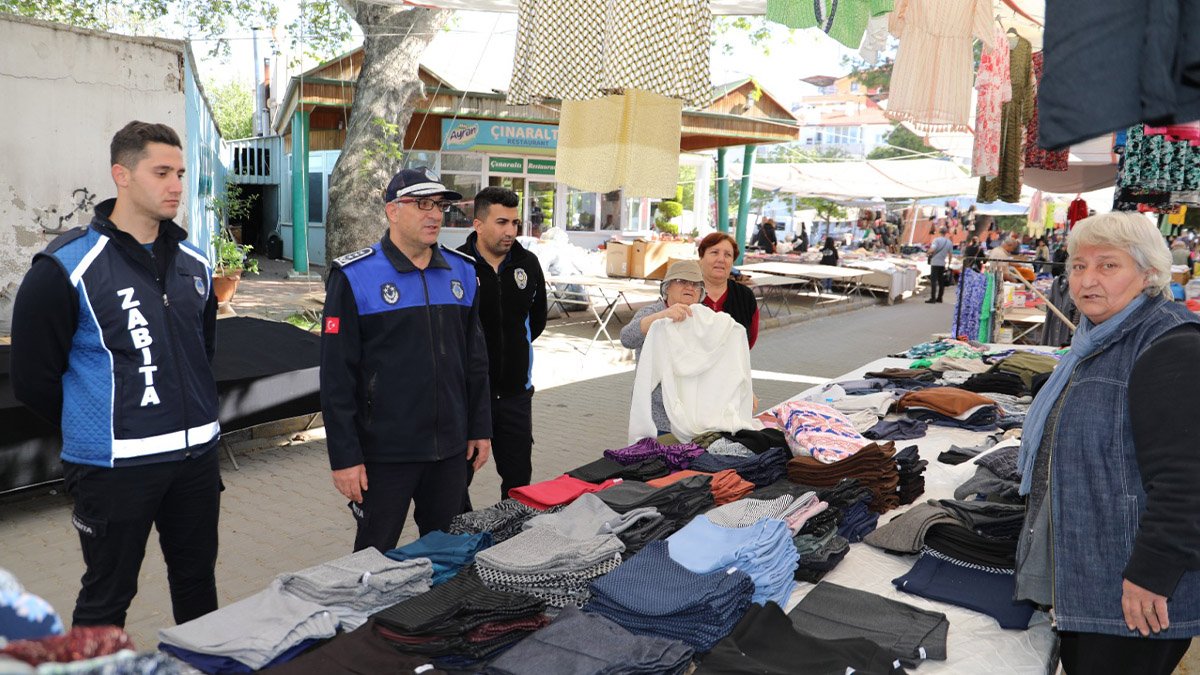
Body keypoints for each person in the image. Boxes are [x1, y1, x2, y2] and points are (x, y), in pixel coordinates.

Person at [10, 121, 221, 628]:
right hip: (114, 469)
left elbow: (202, 353)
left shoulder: (196, 264)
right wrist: (99, 419)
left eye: (180, 173)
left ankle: (202, 663)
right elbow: (33, 380)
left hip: (195, 459)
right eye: (162, 172)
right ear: (121, 175)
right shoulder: (66, 267)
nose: (176, 185)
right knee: (107, 598)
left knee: (197, 585)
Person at [1014, 212, 1200, 675]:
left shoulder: (1169, 345)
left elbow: (1187, 480)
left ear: (1149, 273)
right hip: (1096, 576)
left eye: (1108, 265)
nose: (1087, 279)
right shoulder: (1098, 338)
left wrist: (1150, 575)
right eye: (1078, 266)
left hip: (1135, 597)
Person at [320, 167, 491, 553]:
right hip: (385, 454)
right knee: (373, 558)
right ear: (392, 211)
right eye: (422, 204)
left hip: (450, 451)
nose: (435, 215)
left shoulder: (463, 272)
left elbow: (475, 360)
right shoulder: (355, 276)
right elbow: (336, 378)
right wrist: (344, 457)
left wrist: (480, 428)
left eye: (440, 206)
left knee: (448, 557)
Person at [457, 187, 547, 504]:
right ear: (478, 225)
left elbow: (536, 321)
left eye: (514, 222)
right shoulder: (457, 265)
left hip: (515, 396)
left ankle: (512, 532)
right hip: (467, 397)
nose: (510, 231)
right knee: (455, 482)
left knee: (519, 484)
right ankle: (460, 532)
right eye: (501, 222)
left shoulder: (528, 263)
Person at [620, 261, 704, 435]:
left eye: (696, 284)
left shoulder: (704, 317)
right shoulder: (652, 312)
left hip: (694, 418)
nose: (690, 287)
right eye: (682, 281)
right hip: (657, 417)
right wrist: (661, 317)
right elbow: (627, 338)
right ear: (667, 287)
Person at [696, 232, 760, 349]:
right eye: (714, 252)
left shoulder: (745, 296)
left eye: (728, 255)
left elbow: (749, 340)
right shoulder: (686, 291)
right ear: (701, 257)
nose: (721, 259)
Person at [926, 225, 953, 303]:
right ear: (946, 233)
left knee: (933, 281)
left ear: (939, 232)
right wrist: (949, 264)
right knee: (941, 281)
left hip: (935, 262)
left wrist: (927, 252)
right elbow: (950, 254)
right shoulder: (949, 242)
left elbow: (932, 249)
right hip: (942, 263)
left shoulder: (936, 240)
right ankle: (940, 298)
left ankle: (933, 298)